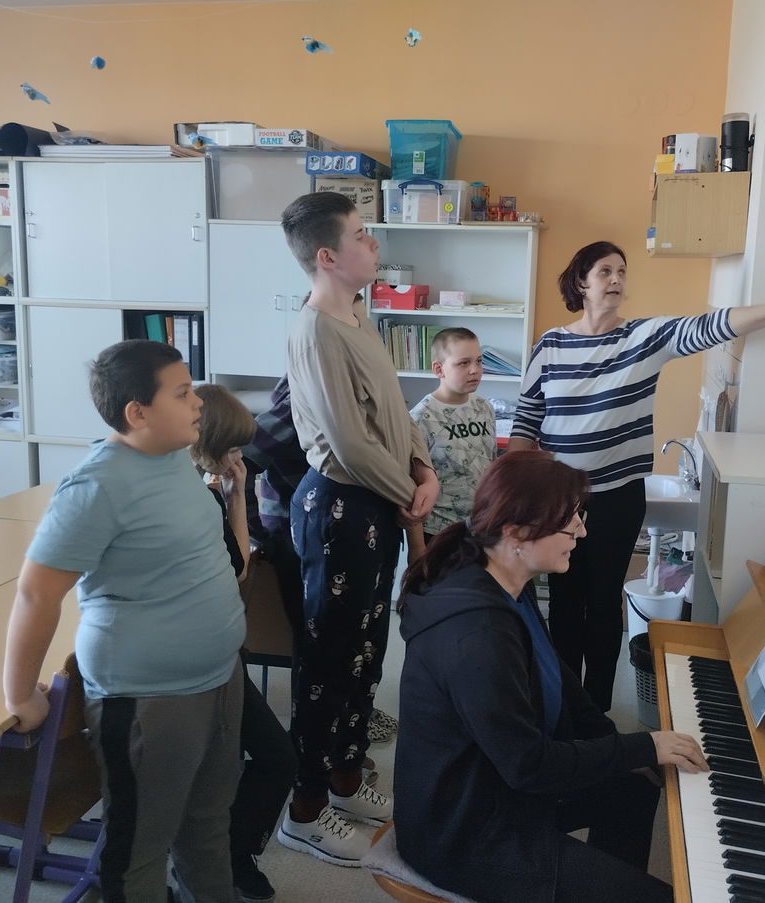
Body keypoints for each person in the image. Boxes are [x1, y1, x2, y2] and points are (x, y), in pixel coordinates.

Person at [509, 241, 765, 710]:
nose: (616, 280)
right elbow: (525, 420)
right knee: (563, 602)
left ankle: (595, 709)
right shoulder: (551, 345)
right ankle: (564, 706)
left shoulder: (645, 337)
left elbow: (713, 326)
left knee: (602, 604)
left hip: (617, 499)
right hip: (557, 501)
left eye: (622, 271)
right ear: (581, 282)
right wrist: (514, 490)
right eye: (604, 271)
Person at [395, 450, 708, 903]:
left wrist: (622, 747)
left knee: (634, 783)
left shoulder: (502, 580)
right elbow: (528, 766)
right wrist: (645, 745)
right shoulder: (478, 633)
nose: (581, 530)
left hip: (499, 790)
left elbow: (561, 681)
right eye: (569, 521)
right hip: (465, 831)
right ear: (516, 533)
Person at [3, 340, 245, 903]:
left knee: (208, 823)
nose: (198, 403)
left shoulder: (173, 457)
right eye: (182, 393)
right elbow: (36, 593)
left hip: (216, 677)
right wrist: (20, 696)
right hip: (149, 696)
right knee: (140, 847)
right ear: (138, 413)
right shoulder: (97, 485)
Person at [277, 190, 439, 867]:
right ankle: (305, 808)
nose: (373, 244)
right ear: (327, 256)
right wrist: (412, 496)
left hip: (379, 502)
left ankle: (346, 777)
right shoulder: (316, 330)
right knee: (327, 664)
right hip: (342, 508)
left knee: (365, 655)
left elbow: (395, 411)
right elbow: (348, 442)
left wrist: (423, 470)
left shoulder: (358, 313)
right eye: (361, 235)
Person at [240, 376, 400, 748]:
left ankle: (343, 734)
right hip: (298, 535)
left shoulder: (352, 391)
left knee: (351, 641)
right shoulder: (304, 396)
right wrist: (253, 528)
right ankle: (316, 747)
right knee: (319, 646)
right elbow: (242, 454)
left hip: (343, 531)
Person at [191, 383, 298, 903]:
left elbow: (237, 567)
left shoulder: (211, 493)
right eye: (233, 448)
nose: (241, 458)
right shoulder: (190, 499)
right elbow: (233, 571)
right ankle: (218, 864)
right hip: (198, 663)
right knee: (246, 765)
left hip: (223, 655)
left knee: (276, 758)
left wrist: (236, 495)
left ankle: (236, 857)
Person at [407, 327, 496, 560]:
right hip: (439, 531)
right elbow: (411, 487)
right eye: (463, 363)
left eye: (479, 361)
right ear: (439, 369)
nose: (475, 370)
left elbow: (490, 464)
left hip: (481, 526)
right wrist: (417, 548)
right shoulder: (419, 418)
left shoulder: (485, 408)